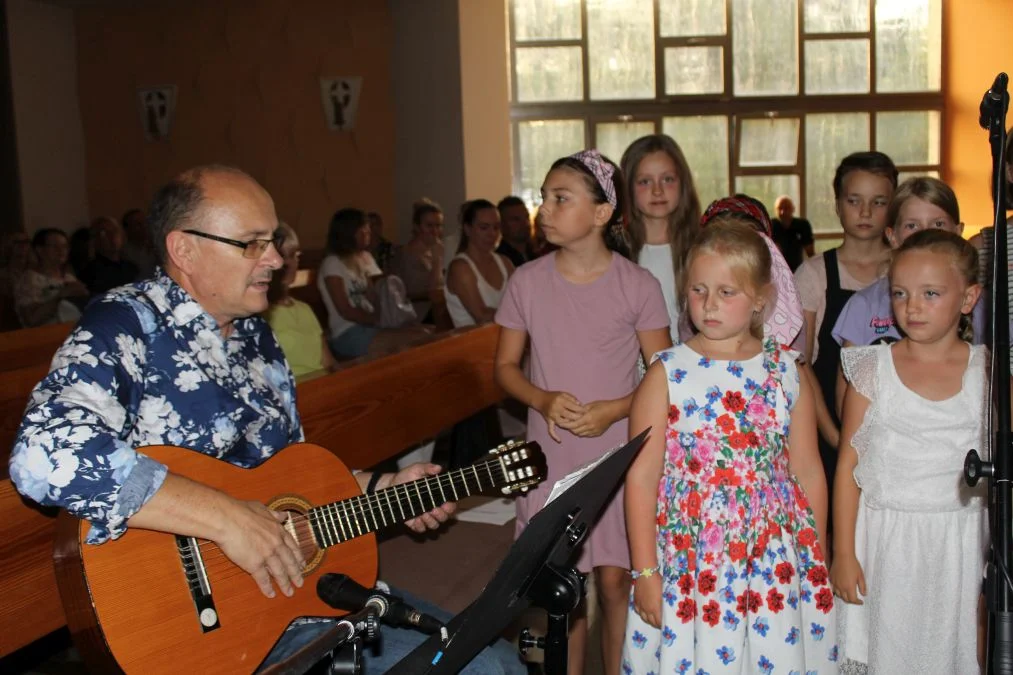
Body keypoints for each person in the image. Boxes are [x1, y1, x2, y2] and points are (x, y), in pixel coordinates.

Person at [7, 165, 525, 675]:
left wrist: (383, 486)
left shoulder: (258, 338)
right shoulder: (128, 322)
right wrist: (226, 519)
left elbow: (287, 483)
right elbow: (44, 451)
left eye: (273, 240)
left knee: (496, 659)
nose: (275, 259)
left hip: (293, 596)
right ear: (183, 249)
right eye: (252, 243)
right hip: (199, 630)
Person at [622, 219, 836, 674]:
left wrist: (816, 555)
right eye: (698, 291)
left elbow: (809, 470)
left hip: (772, 556)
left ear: (760, 298)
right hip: (693, 554)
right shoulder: (666, 373)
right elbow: (641, 477)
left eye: (726, 292)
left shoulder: (787, 370)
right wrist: (644, 572)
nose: (708, 305)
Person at [495, 149, 672, 675]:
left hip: (615, 450)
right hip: (551, 452)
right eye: (543, 198)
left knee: (616, 578)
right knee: (560, 581)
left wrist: (614, 410)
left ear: (600, 214)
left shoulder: (637, 285)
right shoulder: (526, 281)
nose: (543, 209)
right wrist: (543, 399)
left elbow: (663, 376)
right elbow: (505, 367)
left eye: (559, 198)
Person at [831, 229, 986, 673]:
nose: (912, 306)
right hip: (885, 539)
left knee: (947, 649)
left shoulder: (986, 373)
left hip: (957, 540)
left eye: (930, 293)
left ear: (968, 297)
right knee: (889, 648)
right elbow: (848, 466)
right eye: (899, 293)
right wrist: (844, 552)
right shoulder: (873, 368)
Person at [793, 151, 897, 528]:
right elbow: (799, 366)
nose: (865, 212)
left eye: (878, 202)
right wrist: (833, 435)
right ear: (838, 205)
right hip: (833, 436)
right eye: (855, 201)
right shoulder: (814, 274)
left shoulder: (906, 270)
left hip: (901, 436)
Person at [831, 176, 983, 412]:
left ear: (958, 231)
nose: (925, 234)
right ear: (892, 236)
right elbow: (847, 406)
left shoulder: (979, 304)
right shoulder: (863, 305)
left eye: (938, 224)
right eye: (912, 225)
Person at [620, 134, 702, 343]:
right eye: (645, 181)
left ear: (683, 184)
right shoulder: (617, 252)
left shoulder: (703, 248)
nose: (657, 191)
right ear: (628, 188)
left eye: (667, 179)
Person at [318, 208, 428, 360]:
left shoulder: (364, 258)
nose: (369, 232)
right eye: (364, 229)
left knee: (425, 332)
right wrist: (376, 320)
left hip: (371, 325)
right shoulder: (332, 263)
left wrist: (386, 315)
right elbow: (345, 310)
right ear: (350, 232)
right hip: (348, 331)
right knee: (414, 339)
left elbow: (374, 293)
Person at [265, 222, 339, 377]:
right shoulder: (261, 314)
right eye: (284, 256)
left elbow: (329, 363)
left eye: (294, 255)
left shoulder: (304, 309)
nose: (290, 264)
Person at [445, 199, 514, 327]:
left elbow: (522, 300)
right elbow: (481, 316)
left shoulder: (505, 263)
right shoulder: (460, 268)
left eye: (496, 227)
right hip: (473, 343)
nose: (492, 233)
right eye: (484, 228)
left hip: (505, 337)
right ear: (468, 229)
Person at [14, 228, 89, 327]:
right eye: (55, 246)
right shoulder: (30, 279)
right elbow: (31, 320)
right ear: (40, 250)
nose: (61, 251)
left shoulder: (69, 278)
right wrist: (61, 296)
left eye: (65, 246)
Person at [389, 198, 445, 323]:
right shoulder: (406, 254)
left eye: (438, 226)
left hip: (436, 310)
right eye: (429, 226)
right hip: (416, 314)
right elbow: (432, 291)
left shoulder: (434, 251)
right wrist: (437, 261)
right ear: (417, 227)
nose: (435, 231)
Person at [79, 216, 140, 295]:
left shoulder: (132, 268)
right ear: (95, 239)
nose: (112, 236)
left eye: (115, 231)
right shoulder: (90, 273)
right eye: (104, 233)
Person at [771, 195, 815, 272]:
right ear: (775, 210)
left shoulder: (802, 225)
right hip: (777, 271)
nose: (783, 212)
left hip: (798, 270)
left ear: (793, 209)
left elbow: (810, 252)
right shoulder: (771, 225)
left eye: (786, 208)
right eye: (779, 208)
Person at [495, 196, 533, 268]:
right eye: (516, 219)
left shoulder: (536, 253)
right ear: (501, 225)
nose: (525, 223)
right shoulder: (499, 260)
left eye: (526, 217)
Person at [120, 208, 158, 280]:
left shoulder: (158, 246)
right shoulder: (124, 253)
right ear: (127, 229)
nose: (144, 227)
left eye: (145, 222)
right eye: (138, 224)